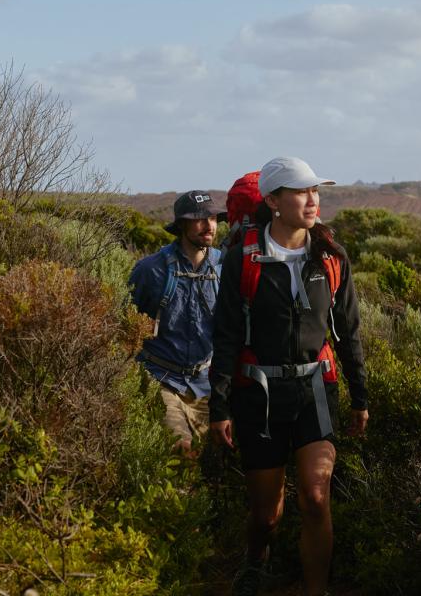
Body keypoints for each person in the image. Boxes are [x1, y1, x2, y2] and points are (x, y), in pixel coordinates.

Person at [209, 157, 369, 596]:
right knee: (267, 515)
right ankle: (256, 561)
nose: (313, 199)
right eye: (301, 191)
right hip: (256, 393)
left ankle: (316, 590)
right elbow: (224, 334)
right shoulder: (243, 257)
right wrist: (218, 406)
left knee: (316, 496)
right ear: (274, 201)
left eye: (316, 190)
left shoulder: (331, 255)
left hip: (316, 387)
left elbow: (349, 331)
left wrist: (360, 396)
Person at [128, 189, 225, 458]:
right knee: (181, 449)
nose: (209, 225)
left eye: (214, 218)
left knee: (212, 459)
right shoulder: (151, 270)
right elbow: (127, 324)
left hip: (206, 383)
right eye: (200, 219)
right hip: (161, 378)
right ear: (182, 224)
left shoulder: (223, 267)